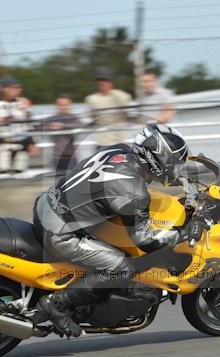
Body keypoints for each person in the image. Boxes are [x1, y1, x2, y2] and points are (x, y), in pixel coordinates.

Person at [32, 123, 191, 337]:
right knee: (123, 268)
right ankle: (57, 304)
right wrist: (184, 234)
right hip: (61, 233)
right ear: (157, 158)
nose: (175, 168)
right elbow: (145, 241)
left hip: (45, 204)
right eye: (173, 162)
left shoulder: (119, 150)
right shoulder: (134, 192)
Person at [0, 76, 40, 174]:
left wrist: (33, 143)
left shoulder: (24, 102)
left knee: (20, 172)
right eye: (15, 87)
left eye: (19, 87)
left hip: (23, 143)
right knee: (3, 172)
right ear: (4, 89)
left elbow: (30, 124)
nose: (19, 90)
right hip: (3, 143)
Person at [85, 67, 132, 151]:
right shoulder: (91, 99)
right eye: (99, 80)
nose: (101, 82)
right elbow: (93, 119)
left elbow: (127, 116)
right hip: (101, 142)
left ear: (111, 82)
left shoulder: (121, 96)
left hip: (119, 141)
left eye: (104, 80)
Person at [37, 95, 84, 174]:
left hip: (72, 157)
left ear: (69, 105)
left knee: (73, 181)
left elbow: (81, 125)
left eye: (65, 105)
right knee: (58, 183)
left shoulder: (73, 118)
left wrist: (62, 126)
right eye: (61, 105)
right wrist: (50, 127)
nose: (63, 107)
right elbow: (38, 127)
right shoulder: (52, 118)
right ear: (57, 105)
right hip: (57, 157)